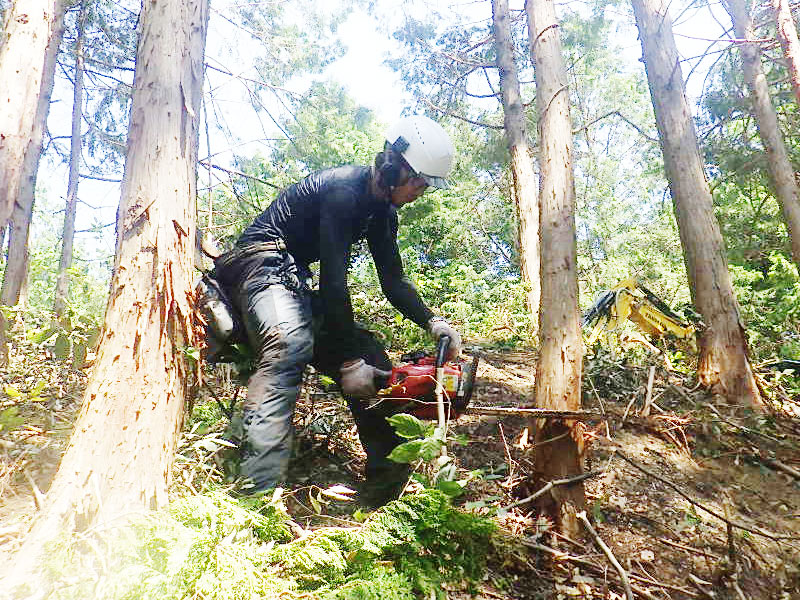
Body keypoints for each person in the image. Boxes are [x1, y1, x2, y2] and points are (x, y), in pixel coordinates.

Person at [213, 115, 463, 506]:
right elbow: (333, 284)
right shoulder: (344, 191)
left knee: (371, 354)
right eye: (419, 181)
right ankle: (254, 498)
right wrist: (347, 363)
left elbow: (393, 282)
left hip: (291, 279)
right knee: (289, 345)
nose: (420, 192)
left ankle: (382, 500)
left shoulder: (383, 214)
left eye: (426, 186)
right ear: (395, 167)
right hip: (258, 263)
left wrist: (432, 321)